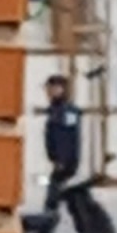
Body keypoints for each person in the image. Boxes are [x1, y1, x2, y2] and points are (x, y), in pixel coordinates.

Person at [43, 74, 81, 209]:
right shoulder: (56, 110)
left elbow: (67, 137)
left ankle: (50, 214)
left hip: (65, 161)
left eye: (52, 88)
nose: (48, 92)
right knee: (55, 187)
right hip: (61, 160)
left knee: (54, 189)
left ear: (61, 89)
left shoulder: (67, 111)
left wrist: (62, 160)